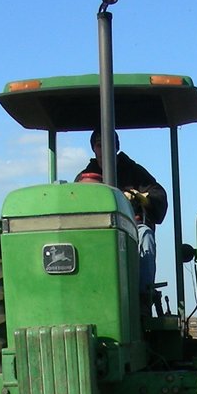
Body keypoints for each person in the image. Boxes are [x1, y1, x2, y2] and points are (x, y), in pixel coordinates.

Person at [76, 130, 167, 304]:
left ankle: (143, 299)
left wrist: (140, 197)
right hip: (96, 231)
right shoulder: (84, 178)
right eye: (99, 145)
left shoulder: (135, 172)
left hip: (132, 229)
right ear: (94, 149)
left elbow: (158, 195)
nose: (104, 150)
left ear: (116, 147)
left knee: (145, 235)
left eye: (109, 144)